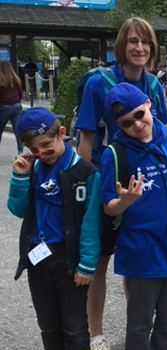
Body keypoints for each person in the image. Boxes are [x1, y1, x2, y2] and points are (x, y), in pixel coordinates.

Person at [74, 17, 167, 350]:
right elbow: (86, 140)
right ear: (121, 46)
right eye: (132, 41)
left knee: (137, 264)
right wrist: (80, 192)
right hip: (105, 182)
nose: (139, 47)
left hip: (142, 184)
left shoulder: (154, 86)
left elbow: (162, 137)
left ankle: (137, 332)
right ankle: (95, 333)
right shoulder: (97, 84)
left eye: (145, 42)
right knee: (98, 261)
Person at [100, 82, 167, 350]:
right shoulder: (116, 153)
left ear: (148, 103)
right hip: (140, 250)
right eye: (126, 123)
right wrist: (124, 201)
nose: (136, 124)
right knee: (139, 325)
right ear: (118, 126)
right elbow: (108, 207)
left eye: (138, 114)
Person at [7, 107, 101, 350]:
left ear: (61, 134)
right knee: (48, 326)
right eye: (34, 151)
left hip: (69, 258)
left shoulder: (86, 172)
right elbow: (18, 209)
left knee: (75, 327)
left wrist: (88, 264)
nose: (41, 153)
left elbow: (90, 222)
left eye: (46, 147)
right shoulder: (34, 169)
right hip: (38, 257)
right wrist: (19, 178)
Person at [0, 60, 24, 155]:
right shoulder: (16, 79)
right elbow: (20, 94)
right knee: (18, 131)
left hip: (3, 107)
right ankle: (20, 152)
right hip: (16, 106)